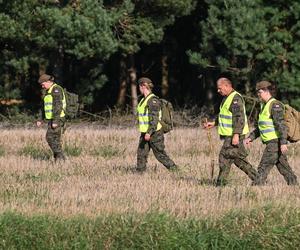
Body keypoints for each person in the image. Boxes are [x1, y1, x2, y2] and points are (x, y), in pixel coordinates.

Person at [203, 77, 257, 186]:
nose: (218, 91)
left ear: (227, 86)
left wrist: (236, 135)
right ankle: (258, 179)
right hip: (230, 134)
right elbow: (225, 115)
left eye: (220, 88)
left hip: (234, 134)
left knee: (224, 156)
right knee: (238, 160)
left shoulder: (235, 99)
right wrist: (214, 123)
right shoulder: (227, 98)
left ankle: (220, 184)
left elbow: (239, 118)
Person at [244, 81, 298, 185]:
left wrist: (283, 143)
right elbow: (262, 128)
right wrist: (250, 138)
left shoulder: (275, 105)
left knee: (263, 167)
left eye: (259, 92)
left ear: (266, 91)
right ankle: (294, 186)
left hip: (275, 142)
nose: (258, 95)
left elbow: (281, 126)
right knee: (284, 168)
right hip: (273, 143)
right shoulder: (264, 106)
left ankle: (254, 190)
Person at [136, 77, 178, 173]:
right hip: (145, 132)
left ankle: (176, 170)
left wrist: (149, 133)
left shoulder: (152, 101)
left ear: (143, 86)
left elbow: (154, 120)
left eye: (139, 86)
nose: (139, 88)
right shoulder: (143, 100)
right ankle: (139, 174)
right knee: (141, 154)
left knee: (160, 155)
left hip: (154, 133)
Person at [36, 74, 66, 161]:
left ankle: (61, 157)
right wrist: (40, 119)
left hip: (58, 118)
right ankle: (59, 159)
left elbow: (58, 106)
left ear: (49, 82)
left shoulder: (56, 90)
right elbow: (44, 106)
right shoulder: (48, 91)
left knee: (50, 137)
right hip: (52, 119)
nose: (42, 86)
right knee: (55, 139)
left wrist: (56, 121)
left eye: (43, 83)